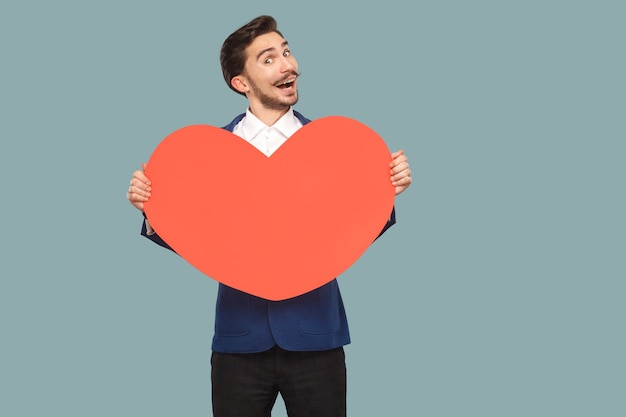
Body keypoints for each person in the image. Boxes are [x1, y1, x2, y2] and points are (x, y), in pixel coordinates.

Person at [127, 15, 412, 417]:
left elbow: (352, 228)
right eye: (268, 58)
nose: (288, 65)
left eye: (287, 52)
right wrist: (153, 210)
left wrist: (385, 190)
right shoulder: (206, 157)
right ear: (240, 83)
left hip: (317, 339)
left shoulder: (336, 149)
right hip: (239, 343)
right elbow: (197, 232)